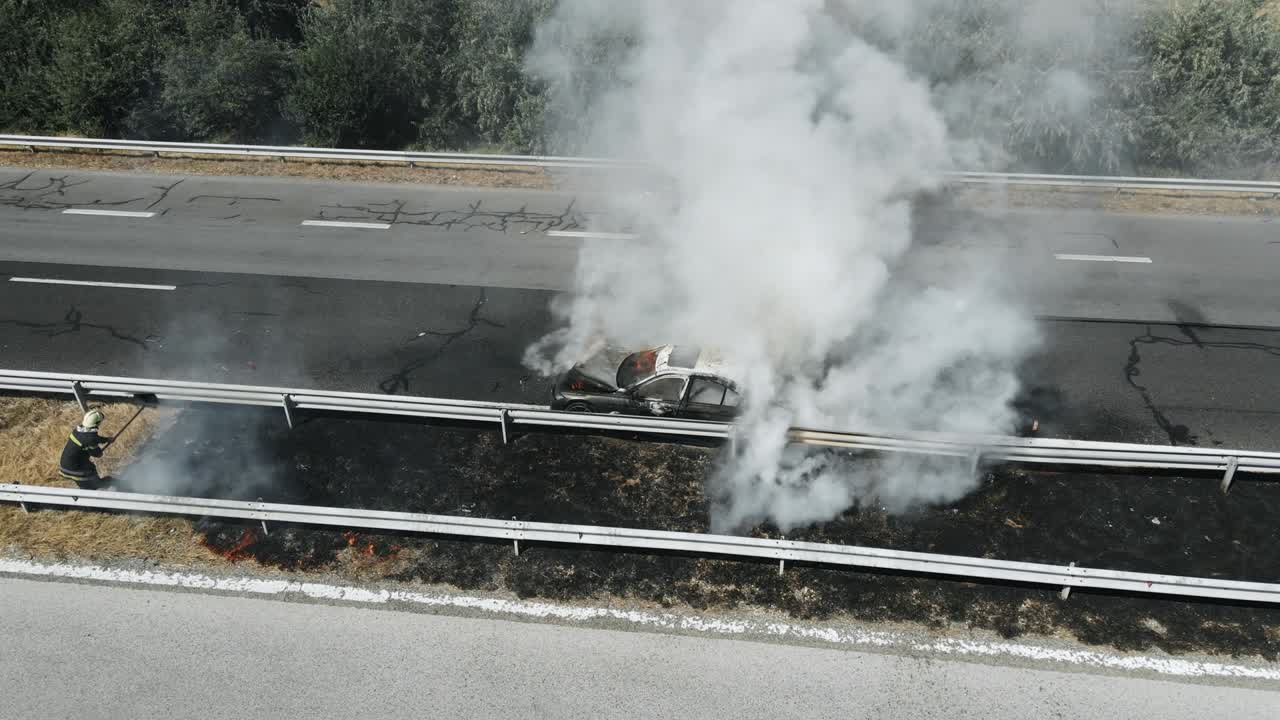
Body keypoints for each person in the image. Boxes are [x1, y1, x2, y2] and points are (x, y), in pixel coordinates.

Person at [59, 409, 113, 490]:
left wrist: (106, 439)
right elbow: (97, 454)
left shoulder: (77, 431)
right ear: (96, 423)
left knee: (86, 484)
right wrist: (99, 451)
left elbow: (94, 438)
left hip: (66, 465)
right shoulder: (90, 438)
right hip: (76, 469)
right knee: (93, 484)